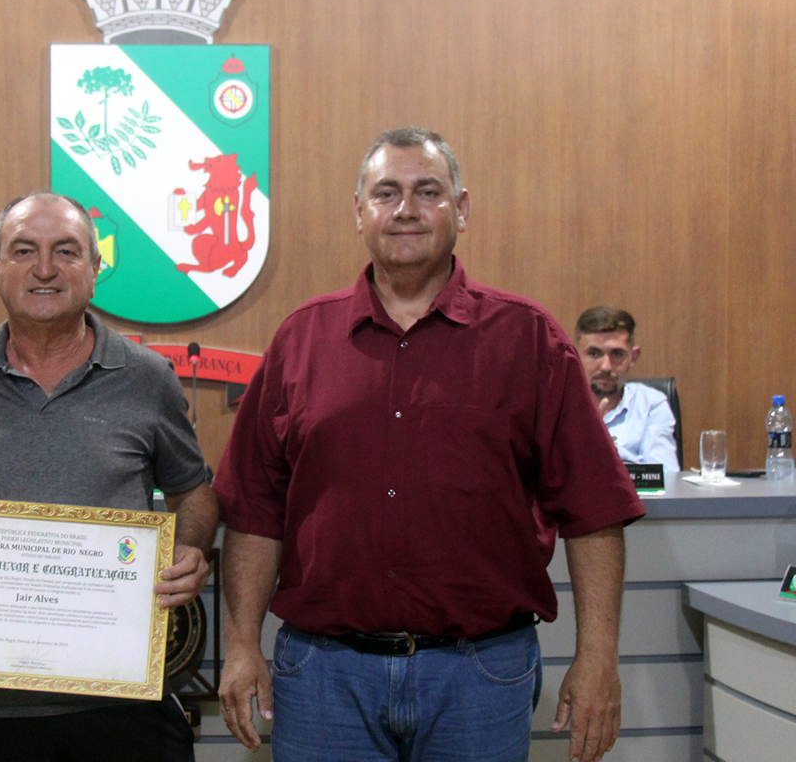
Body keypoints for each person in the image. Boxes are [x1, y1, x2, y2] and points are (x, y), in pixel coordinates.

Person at [215, 128, 646, 762]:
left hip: (481, 677)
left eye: (428, 192)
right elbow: (254, 511)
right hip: (324, 678)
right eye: (386, 193)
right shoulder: (301, 340)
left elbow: (594, 512)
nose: (406, 209)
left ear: (462, 209)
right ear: (358, 211)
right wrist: (241, 645)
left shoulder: (529, 340)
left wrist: (598, 658)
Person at [0, 192, 218, 762]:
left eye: (67, 251)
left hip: (121, 704)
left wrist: (192, 548)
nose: (45, 269)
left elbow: (192, 492)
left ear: (95, 269)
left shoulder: (148, 379)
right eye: (24, 250)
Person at [574, 306, 679, 471]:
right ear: (575, 356)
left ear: (633, 357)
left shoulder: (651, 404)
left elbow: (665, 475)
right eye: (594, 354)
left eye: (617, 354)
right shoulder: (556, 404)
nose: (606, 366)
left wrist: (609, 455)